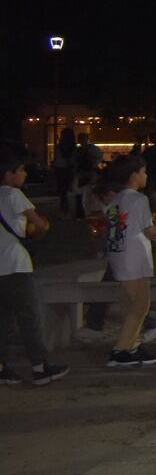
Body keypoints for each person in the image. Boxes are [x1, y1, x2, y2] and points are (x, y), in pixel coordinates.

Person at [0, 147, 66, 387]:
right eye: (20, 170)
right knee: (28, 316)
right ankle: (40, 367)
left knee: (3, 320)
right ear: (9, 174)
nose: (25, 174)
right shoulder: (14, 195)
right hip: (15, 264)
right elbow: (40, 224)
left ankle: (2, 367)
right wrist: (37, 230)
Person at [101, 156, 156, 370]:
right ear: (134, 175)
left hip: (119, 257)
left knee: (129, 305)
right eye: (143, 172)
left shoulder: (116, 200)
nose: (146, 176)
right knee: (140, 305)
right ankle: (121, 349)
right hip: (135, 258)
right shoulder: (139, 199)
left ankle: (133, 346)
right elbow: (149, 229)